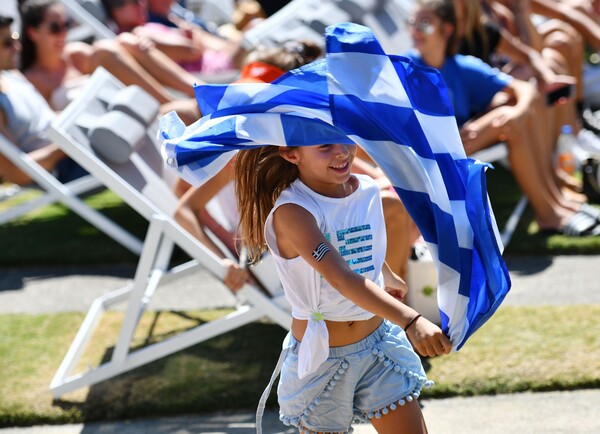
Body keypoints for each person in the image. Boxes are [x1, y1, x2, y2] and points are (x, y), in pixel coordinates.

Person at [233, 139, 450, 433]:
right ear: (292, 154)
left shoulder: (367, 189)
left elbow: (353, 240)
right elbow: (340, 276)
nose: (341, 151)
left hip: (378, 346)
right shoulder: (293, 212)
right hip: (322, 361)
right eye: (324, 145)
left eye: (344, 138)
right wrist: (410, 319)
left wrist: (384, 272)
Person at [404, 0, 600, 236]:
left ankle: (553, 203)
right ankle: (550, 210)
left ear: (447, 30)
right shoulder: (406, 69)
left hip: (466, 138)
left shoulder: (458, 65)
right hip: (428, 152)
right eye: (412, 24)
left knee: (512, 116)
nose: (415, 31)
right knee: (507, 114)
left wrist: (518, 112)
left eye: (424, 25)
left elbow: (522, 87)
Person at [19, 0, 200, 124]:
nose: (63, 34)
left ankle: (197, 91)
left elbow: (111, 55)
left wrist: (134, 45)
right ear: (33, 33)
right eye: (55, 28)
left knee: (123, 43)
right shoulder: (32, 81)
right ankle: (178, 107)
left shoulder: (74, 55)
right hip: (107, 126)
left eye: (66, 25)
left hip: (132, 107)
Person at [0, 14, 86, 186]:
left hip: (74, 147)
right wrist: (66, 146)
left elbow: (45, 119)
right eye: (8, 43)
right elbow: (17, 172)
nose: (17, 47)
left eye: (15, 38)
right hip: (63, 167)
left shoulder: (13, 76)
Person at [101, 0, 246, 76]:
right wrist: (195, 35)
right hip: (214, 72)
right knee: (249, 40)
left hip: (215, 64)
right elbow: (192, 50)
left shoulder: (146, 27)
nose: (142, 3)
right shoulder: (138, 34)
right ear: (117, 12)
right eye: (133, 1)